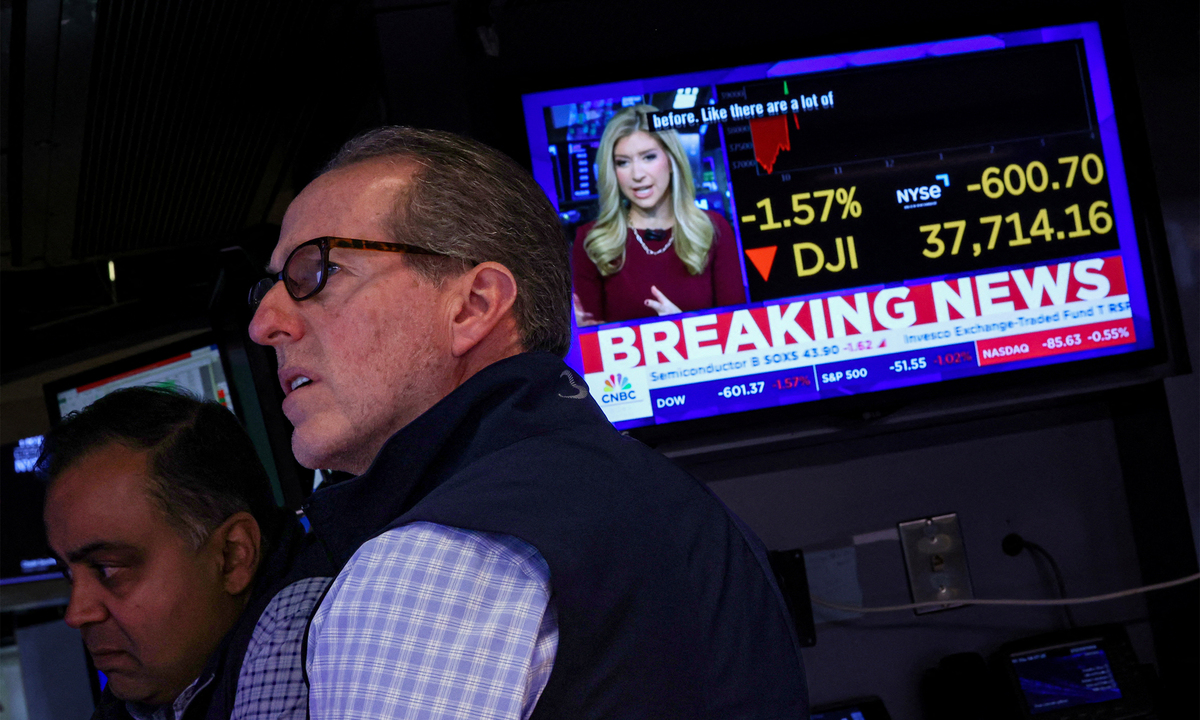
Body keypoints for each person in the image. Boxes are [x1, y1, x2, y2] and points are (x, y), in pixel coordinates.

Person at [247, 126, 807, 719]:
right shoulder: (697, 511)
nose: (264, 323)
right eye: (270, 285)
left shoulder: (430, 562)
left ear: (474, 306)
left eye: (318, 271)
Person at [39, 386, 331, 720]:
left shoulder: (299, 630)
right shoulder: (161, 684)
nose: (76, 614)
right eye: (69, 573)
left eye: (108, 569)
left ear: (233, 556)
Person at [572, 104, 745, 325]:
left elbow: (738, 328)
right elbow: (589, 339)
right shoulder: (592, 241)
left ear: (672, 161)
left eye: (648, 157)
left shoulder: (713, 229)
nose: (637, 174)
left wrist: (683, 325)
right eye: (623, 162)